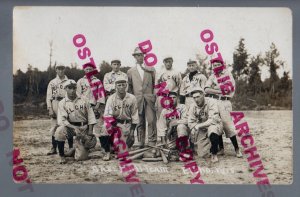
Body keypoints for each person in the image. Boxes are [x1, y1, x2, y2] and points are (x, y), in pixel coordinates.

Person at [204, 59, 243, 158]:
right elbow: (206, 89)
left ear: (222, 65)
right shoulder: (212, 76)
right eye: (214, 65)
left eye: (218, 64)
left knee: (227, 125)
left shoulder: (227, 74)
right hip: (214, 101)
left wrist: (214, 89)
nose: (216, 66)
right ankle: (221, 148)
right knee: (216, 123)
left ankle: (237, 149)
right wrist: (218, 89)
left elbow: (228, 89)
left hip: (225, 101)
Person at [55, 79, 97, 164]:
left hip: (84, 127)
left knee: (81, 158)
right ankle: (62, 155)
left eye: (74, 88)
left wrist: (90, 131)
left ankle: (74, 150)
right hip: (70, 127)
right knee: (59, 131)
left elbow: (91, 116)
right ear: (65, 89)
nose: (72, 90)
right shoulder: (62, 103)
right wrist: (74, 128)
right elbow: (62, 120)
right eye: (69, 88)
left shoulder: (84, 99)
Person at [103, 75, 139, 160]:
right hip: (115, 124)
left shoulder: (132, 98)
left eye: (123, 84)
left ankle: (118, 148)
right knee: (105, 127)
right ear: (115, 86)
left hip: (127, 124)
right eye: (119, 85)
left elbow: (135, 116)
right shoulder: (111, 98)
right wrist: (119, 125)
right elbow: (107, 116)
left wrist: (132, 132)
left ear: (126, 85)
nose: (121, 87)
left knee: (123, 153)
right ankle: (107, 152)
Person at [127, 47, 157, 148]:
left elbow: (155, 85)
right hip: (137, 100)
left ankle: (152, 142)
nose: (139, 57)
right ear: (134, 57)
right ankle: (141, 142)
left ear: (144, 55)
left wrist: (154, 96)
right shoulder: (130, 71)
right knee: (139, 121)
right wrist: (132, 100)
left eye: (141, 55)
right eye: (137, 55)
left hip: (149, 98)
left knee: (151, 120)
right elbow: (130, 87)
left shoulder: (151, 69)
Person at [76, 63, 107, 157]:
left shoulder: (97, 81)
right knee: (86, 127)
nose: (88, 71)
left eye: (90, 69)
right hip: (84, 106)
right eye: (87, 69)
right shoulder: (81, 81)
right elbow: (78, 94)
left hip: (94, 106)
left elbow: (101, 94)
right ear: (84, 70)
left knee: (98, 126)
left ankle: (103, 146)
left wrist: (97, 106)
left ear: (93, 70)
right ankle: (87, 146)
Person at [188, 87, 223, 163]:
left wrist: (198, 126)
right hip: (202, 128)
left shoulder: (212, 102)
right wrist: (194, 128)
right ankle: (209, 145)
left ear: (203, 95)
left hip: (214, 125)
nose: (196, 99)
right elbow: (190, 122)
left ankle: (214, 154)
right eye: (194, 97)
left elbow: (212, 120)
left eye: (198, 97)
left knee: (212, 129)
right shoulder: (192, 106)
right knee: (202, 154)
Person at [45, 64, 72, 155]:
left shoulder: (69, 81)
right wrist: (50, 108)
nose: (60, 71)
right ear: (56, 70)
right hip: (55, 103)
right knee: (55, 126)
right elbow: (49, 96)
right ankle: (54, 147)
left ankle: (71, 148)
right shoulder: (52, 82)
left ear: (65, 69)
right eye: (58, 69)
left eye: (62, 69)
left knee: (68, 124)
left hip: (66, 103)